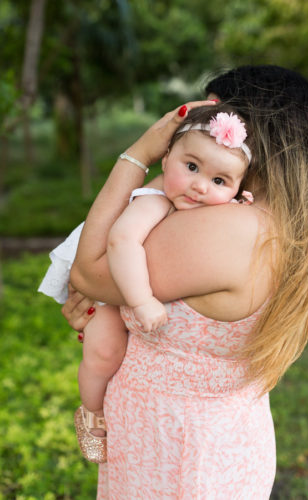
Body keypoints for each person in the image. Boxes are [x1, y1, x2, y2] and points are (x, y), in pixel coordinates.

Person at [62, 65, 308, 499]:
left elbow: (88, 271)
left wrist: (138, 153)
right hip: (208, 445)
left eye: (211, 114)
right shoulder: (278, 223)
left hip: (177, 456)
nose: (194, 125)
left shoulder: (231, 229)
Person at [39, 102, 254, 463]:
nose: (200, 186)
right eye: (191, 167)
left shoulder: (217, 208)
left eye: (219, 181)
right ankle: (91, 414)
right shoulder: (154, 200)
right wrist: (141, 301)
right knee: (104, 351)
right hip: (116, 282)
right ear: (166, 159)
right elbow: (121, 241)